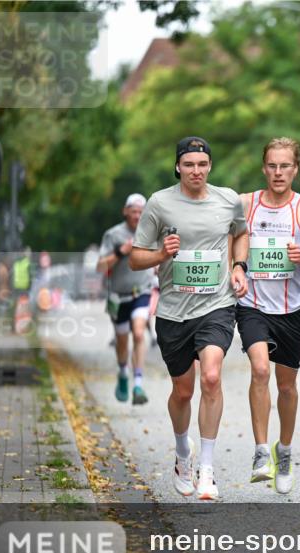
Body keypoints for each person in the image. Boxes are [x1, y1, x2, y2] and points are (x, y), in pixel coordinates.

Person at [130, 137, 248, 501]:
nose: (196, 170)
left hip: (216, 305)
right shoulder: (160, 203)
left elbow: (241, 233)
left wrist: (239, 266)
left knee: (211, 377)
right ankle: (183, 453)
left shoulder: (228, 199)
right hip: (173, 311)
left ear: (209, 166)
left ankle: (207, 469)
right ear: (178, 167)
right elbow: (136, 258)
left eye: (202, 164)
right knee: (183, 390)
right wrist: (160, 254)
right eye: (189, 164)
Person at [234, 137, 300, 494]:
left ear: (295, 169)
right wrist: (238, 267)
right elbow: (230, 240)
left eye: (285, 166)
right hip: (252, 306)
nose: (278, 172)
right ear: (264, 167)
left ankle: (283, 451)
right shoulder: (246, 204)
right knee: (260, 369)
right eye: (272, 165)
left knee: (286, 386)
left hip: (291, 309)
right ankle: (261, 452)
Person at [97, 194, 155, 404]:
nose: (137, 216)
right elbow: (100, 266)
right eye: (134, 212)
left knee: (139, 333)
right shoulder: (113, 235)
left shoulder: (151, 232)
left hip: (142, 291)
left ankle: (138, 384)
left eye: (141, 212)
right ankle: (123, 372)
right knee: (122, 342)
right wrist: (121, 252)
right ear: (125, 212)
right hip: (118, 297)